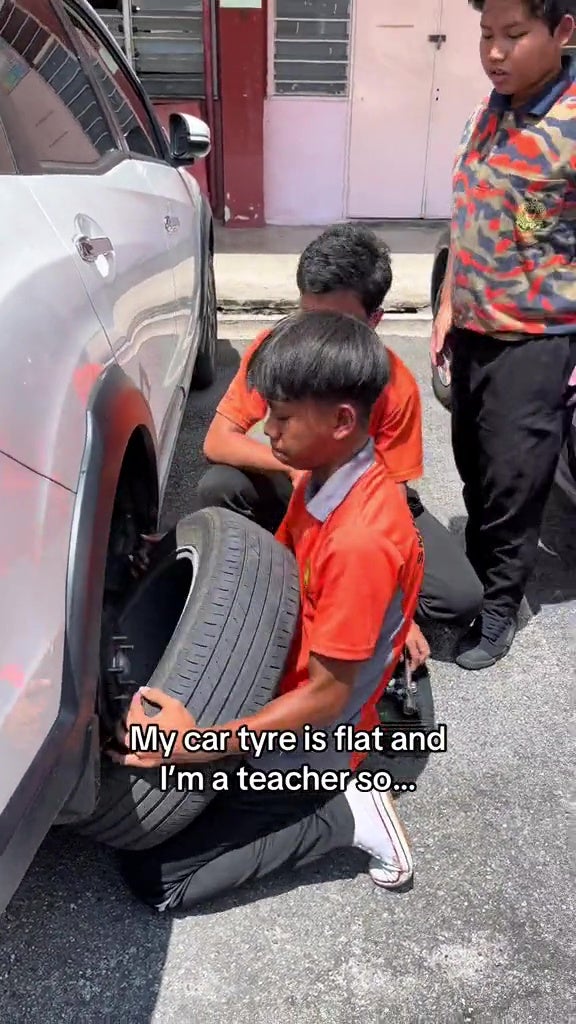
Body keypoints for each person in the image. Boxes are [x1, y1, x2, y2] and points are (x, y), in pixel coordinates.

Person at [110, 310, 425, 913]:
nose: (268, 433)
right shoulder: (325, 473)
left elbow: (325, 700)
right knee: (139, 760)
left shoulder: (361, 539)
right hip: (282, 682)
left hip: (315, 734)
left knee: (154, 875)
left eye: (281, 418)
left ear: (341, 421)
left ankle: (342, 813)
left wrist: (200, 745)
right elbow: (275, 568)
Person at [198, 223, 483, 669]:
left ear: (375, 320)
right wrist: (294, 470)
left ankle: (325, 582)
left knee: (459, 599)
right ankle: (276, 578)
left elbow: (392, 497)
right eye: (308, 317)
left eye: (337, 322)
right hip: (300, 488)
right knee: (220, 485)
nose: (317, 336)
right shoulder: (275, 350)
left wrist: (395, 612)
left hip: (368, 505)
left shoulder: (396, 386)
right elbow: (218, 441)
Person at [431, 0, 576, 670]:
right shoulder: (488, 113)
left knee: (516, 482)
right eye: (486, 35)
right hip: (474, 332)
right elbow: (466, 219)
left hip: (538, 340)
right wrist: (443, 310)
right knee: (476, 467)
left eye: (515, 36)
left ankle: (498, 610)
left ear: (563, 32)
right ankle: (486, 573)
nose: (495, 51)